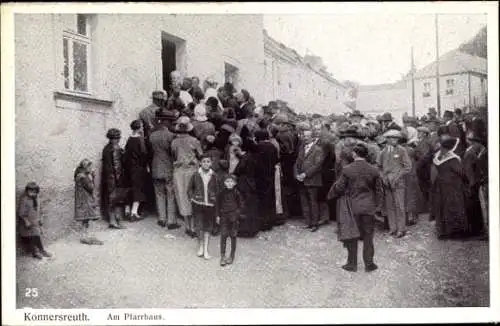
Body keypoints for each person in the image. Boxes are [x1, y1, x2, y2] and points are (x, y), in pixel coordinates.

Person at [327, 144, 382, 272]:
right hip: (369, 206)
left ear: (355, 154)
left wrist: (331, 195)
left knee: (352, 235)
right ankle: (369, 264)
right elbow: (379, 190)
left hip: (352, 206)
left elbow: (340, 187)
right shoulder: (374, 170)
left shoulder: (347, 169)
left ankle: (352, 264)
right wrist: (377, 206)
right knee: (368, 235)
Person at [430, 137, 470, 239]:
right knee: (453, 206)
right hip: (453, 185)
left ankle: (443, 230)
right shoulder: (452, 159)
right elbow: (460, 172)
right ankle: (454, 231)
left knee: (442, 207)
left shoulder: (438, 156)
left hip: (440, 184)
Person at [171, 116, 203, 237]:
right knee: (193, 197)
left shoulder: (174, 142)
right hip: (192, 170)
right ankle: (194, 227)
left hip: (179, 171)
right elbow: (200, 154)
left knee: (182, 196)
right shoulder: (194, 141)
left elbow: (174, 155)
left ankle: (187, 226)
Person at [377, 129, 412, 238]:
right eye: (392, 138)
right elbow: (378, 166)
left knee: (399, 206)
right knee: (390, 206)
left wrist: (397, 176)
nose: (394, 140)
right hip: (387, 182)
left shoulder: (402, 150)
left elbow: (408, 167)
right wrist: (383, 177)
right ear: (387, 139)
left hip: (398, 182)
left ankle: (401, 229)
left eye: (396, 138)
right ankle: (393, 228)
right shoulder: (383, 151)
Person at [150, 110, 180, 229]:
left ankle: (161, 218)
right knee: (170, 194)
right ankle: (171, 220)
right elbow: (173, 153)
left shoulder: (152, 135)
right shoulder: (171, 136)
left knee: (159, 194)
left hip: (155, 166)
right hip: (168, 167)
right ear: (167, 122)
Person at [294, 126, 326, 232]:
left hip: (312, 180)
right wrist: (296, 174)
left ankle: (314, 224)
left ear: (313, 137)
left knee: (313, 202)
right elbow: (297, 163)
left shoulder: (318, 150)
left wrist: (305, 174)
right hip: (301, 180)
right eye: (304, 136)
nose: (306, 138)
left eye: (308, 136)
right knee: (304, 202)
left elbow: (317, 165)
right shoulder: (302, 148)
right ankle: (307, 222)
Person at [188, 155, 218, 259]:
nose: (206, 163)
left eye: (208, 161)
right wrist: (192, 198)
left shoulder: (214, 175)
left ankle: (206, 249)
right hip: (198, 204)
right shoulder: (196, 174)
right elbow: (190, 188)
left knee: (208, 226)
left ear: (211, 163)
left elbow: (218, 190)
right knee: (199, 226)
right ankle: (200, 246)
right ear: (200, 163)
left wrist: (215, 200)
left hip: (210, 204)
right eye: (204, 161)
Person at [100, 128, 128, 229]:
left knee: (110, 200)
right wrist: (120, 180)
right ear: (115, 138)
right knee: (115, 200)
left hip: (107, 177)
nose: (119, 139)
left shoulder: (106, 148)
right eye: (118, 138)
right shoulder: (115, 148)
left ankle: (113, 220)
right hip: (114, 178)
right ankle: (114, 221)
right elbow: (117, 166)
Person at [18, 182, 52, 259]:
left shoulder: (37, 199)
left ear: (37, 191)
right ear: (27, 191)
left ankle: (42, 250)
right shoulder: (24, 200)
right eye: (30, 191)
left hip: (35, 222)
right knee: (31, 238)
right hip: (27, 224)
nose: (32, 193)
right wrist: (26, 221)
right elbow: (21, 213)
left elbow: (40, 210)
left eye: (34, 192)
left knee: (37, 237)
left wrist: (40, 219)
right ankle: (35, 252)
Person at [254, 129, 279, 231]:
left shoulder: (258, 147)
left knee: (261, 200)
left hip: (260, 176)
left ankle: (262, 224)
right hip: (270, 175)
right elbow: (276, 160)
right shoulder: (272, 146)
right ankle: (270, 222)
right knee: (269, 199)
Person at [74, 159, 104, 245]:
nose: (91, 168)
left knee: (85, 219)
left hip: (83, 200)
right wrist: (92, 177)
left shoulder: (79, 175)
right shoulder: (84, 177)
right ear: (85, 167)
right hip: (85, 201)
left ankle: (85, 235)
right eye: (89, 167)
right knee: (85, 219)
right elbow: (91, 188)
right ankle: (84, 236)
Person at [124, 120, 149, 222]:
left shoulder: (129, 139)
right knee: (138, 189)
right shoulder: (141, 140)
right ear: (139, 128)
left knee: (130, 188)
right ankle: (134, 213)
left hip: (129, 168)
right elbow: (144, 154)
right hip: (139, 168)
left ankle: (127, 210)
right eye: (142, 126)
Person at [463, 131, 487, 238]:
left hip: (475, 183)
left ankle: (478, 229)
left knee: (476, 206)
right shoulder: (471, 153)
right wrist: (472, 184)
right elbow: (469, 171)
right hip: (473, 184)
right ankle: (476, 230)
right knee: (475, 207)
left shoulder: (474, 152)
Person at [233, 146, 260, 237]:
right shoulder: (251, 158)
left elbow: (238, 170)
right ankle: (251, 229)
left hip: (243, 184)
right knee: (250, 207)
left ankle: (244, 229)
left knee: (243, 206)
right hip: (251, 183)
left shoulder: (244, 159)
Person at [217, 174, 243, 266]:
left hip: (233, 218)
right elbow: (218, 205)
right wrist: (217, 216)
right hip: (224, 217)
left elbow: (241, 205)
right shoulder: (221, 193)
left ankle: (232, 255)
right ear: (224, 183)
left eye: (231, 181)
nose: (229, 183)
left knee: (233, 236)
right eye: (227, 181)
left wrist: (237, 214)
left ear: (235, 183)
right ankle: (223, 256)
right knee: (223, 236)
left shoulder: (237, 193)